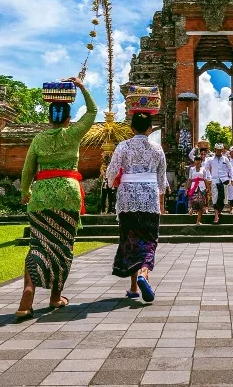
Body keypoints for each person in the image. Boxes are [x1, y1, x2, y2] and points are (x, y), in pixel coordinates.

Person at [15, 77, 95, 319]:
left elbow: (27, 169)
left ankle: (28, 293)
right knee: (62, 246)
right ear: (69, 118)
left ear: (49, 118)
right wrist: (81, 87)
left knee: (38, 244)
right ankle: (54, 296)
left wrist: (25, 192)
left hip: (41, 196)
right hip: (68, 195)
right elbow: (92, 111)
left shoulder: (39, 139)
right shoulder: (73, 135)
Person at [106, 85, 167, 303]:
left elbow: (111, 172)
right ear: (151, 128)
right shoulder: (157, 149)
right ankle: (142, 275)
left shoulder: (122, 146)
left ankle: (134, 286)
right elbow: (161, 180)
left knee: (130, 239)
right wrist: (162, 204)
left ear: (132, 128)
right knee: (149, 239)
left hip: (127, 198)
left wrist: (114, 184)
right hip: (150, 198)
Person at [203, 143, 233, 224]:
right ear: (215, 150)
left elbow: (231, 169)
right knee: (215, 197)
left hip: (224, 180)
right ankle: (216, 215)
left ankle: (219, 211)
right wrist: (208, 178)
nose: (219, 152)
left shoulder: (225, 159)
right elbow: (205, 169)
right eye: (218, 150)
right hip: (214, 180)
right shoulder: (210, 159)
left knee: (224, 198)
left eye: (221, 150)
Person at [186, 153, 209, 224]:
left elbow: (205, 179)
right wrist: (187, 188)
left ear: (201, 161)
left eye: (199, 160)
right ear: (194, 161)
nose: (198, 161)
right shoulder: (192, 169)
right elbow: (189, 179)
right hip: (194, 187)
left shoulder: (204, 170)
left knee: (201, 203)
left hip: (201, 187)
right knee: (194, 199)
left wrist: (208, 188)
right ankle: (192, 208)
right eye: (196, 160)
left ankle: (198, 221)